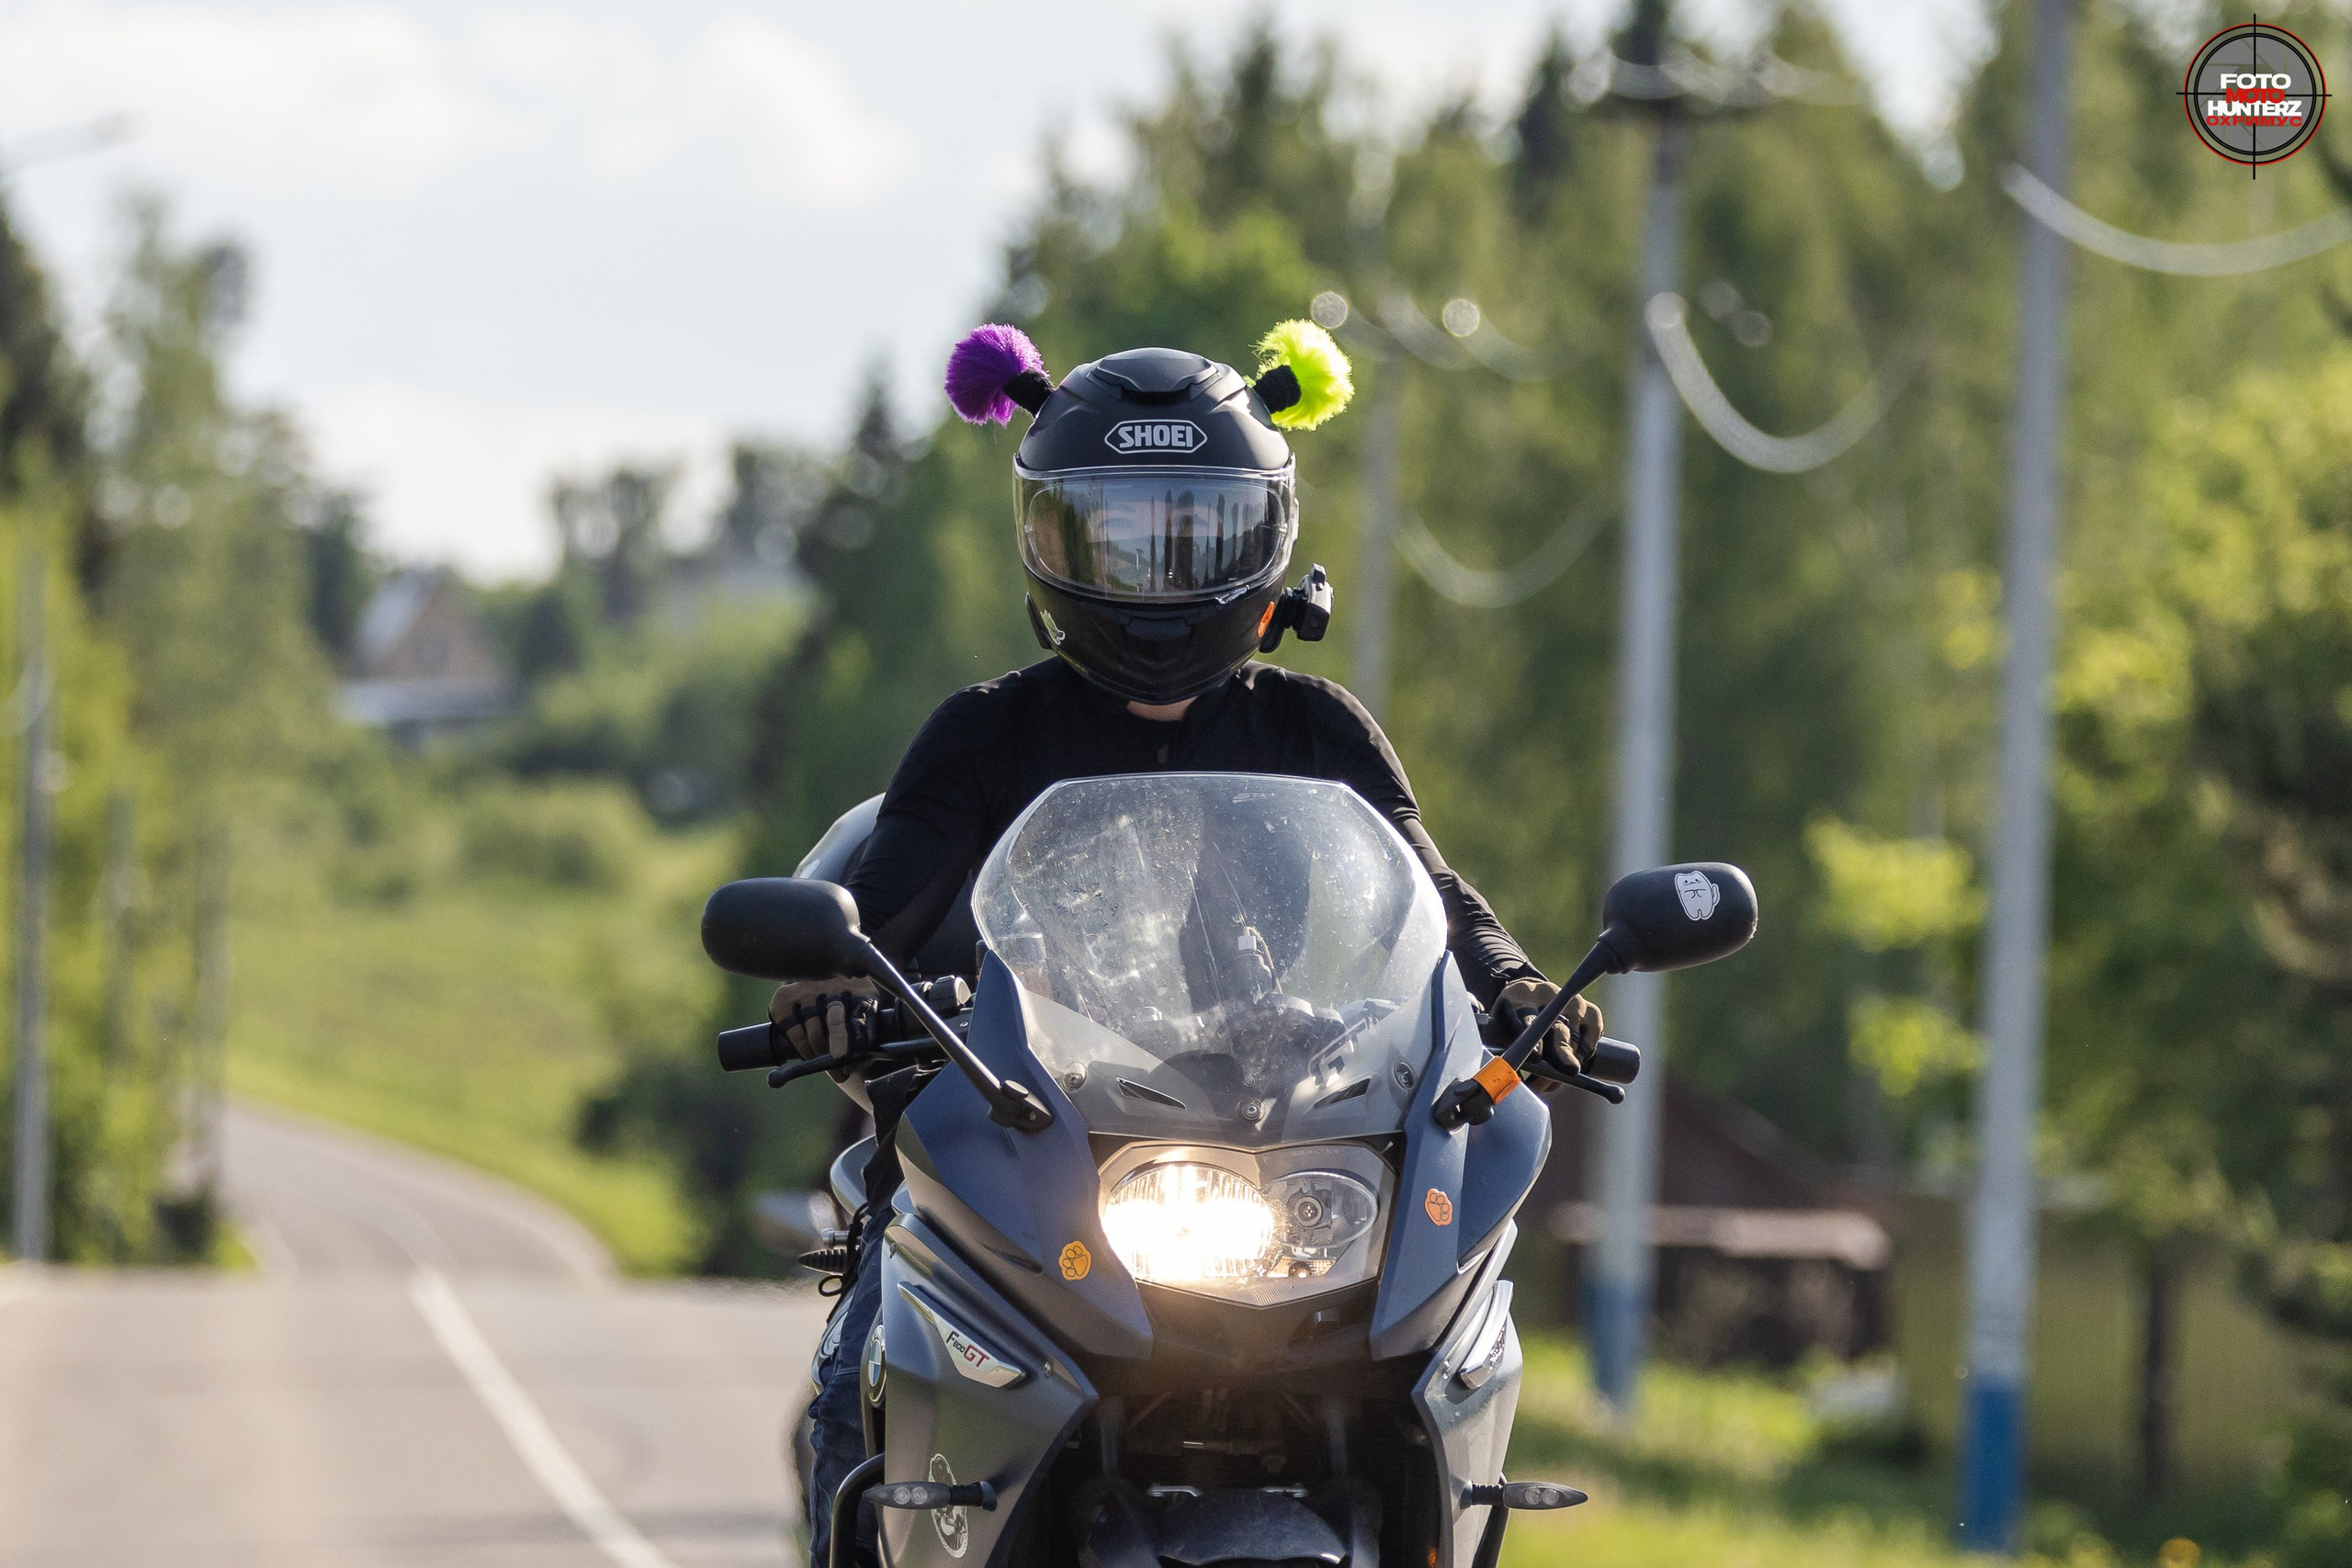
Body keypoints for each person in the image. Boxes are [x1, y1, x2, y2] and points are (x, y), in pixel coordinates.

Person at [778, 318, 1599, 1566]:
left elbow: (1432, 899)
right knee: (864, 1363)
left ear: (1264, 536)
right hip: (1026, 1133)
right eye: (1118, 533)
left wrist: (1523, 987)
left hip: (1280, 1145)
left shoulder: (1316, 731)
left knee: (1434, 1340)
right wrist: (827, 991)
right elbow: (872, 913)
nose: (1159, 576)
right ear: (1049, 540)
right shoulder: (989, 734)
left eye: (1197, 531)